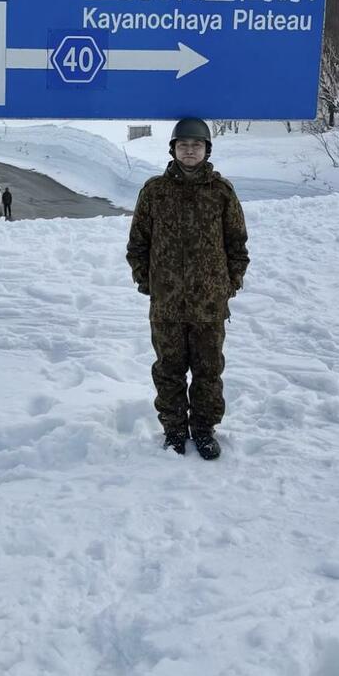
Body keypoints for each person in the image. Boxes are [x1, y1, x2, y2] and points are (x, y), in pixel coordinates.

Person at [126, 118, 249, 461]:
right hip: (166, 304)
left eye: (197, 145)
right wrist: (147, 282)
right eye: (183, 145)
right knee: (169, 368)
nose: (190, 150)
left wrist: (228, 285)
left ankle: (205, 429)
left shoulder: (221, 192)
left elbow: (237, 246)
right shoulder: (154, 191)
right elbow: (138, 244)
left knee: (209, 369)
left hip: (209, 305)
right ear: (173, 149)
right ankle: (175, 429)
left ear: (207, 149)